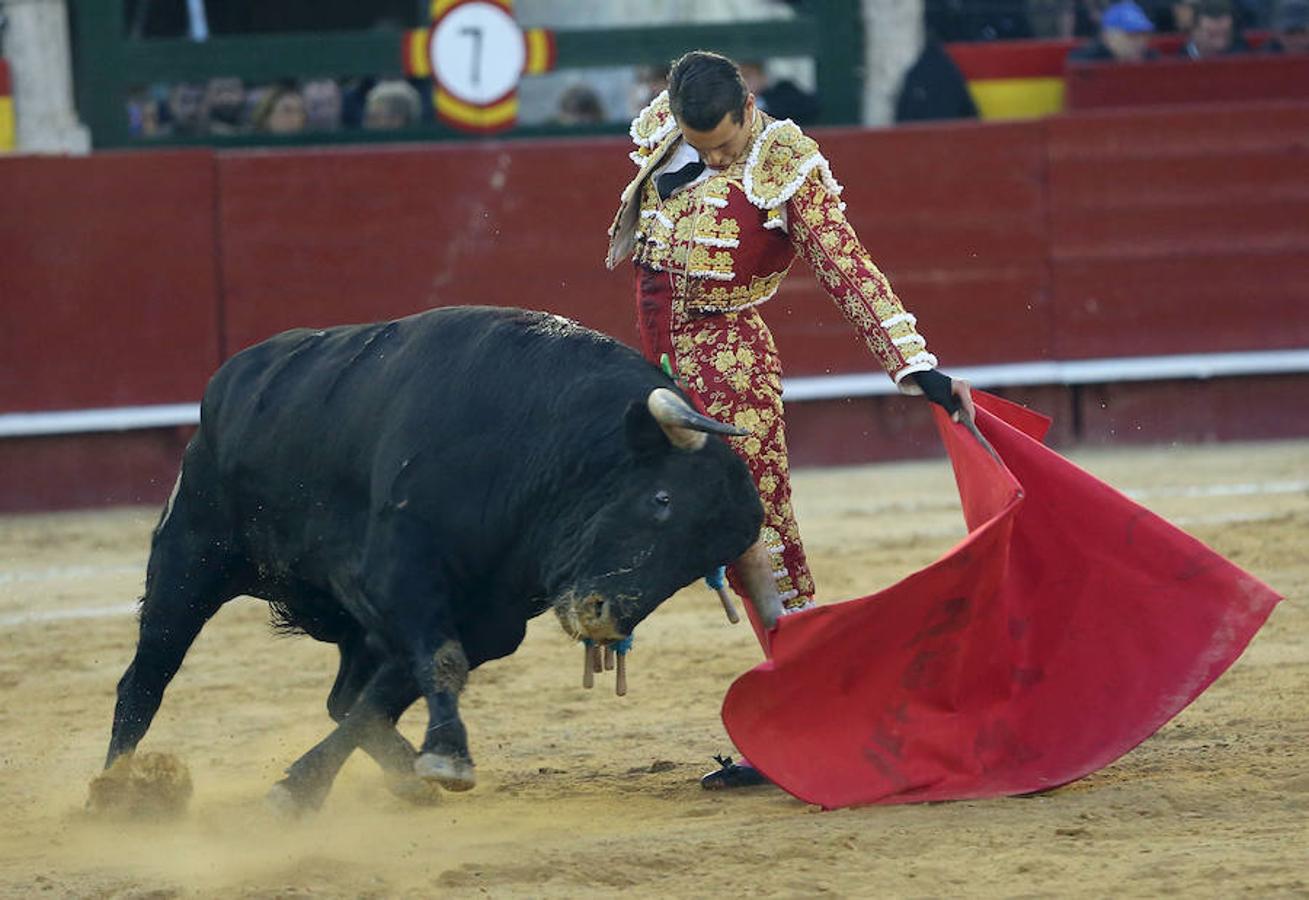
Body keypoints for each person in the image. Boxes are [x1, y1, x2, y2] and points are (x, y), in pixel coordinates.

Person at [605, 50, 974, 790]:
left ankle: (812, 712)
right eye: (696, 142)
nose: (711, 155)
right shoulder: (665, 132)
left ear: (748, 107)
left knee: (762, 541)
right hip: (656, 372)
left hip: (731, 367)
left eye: (723, 143)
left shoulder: (784, 163)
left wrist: (913, 365)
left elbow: (848, 268)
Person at [1067, 0, 1160, 61]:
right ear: (1107, 37)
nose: (1140, 42)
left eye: (1144, 35)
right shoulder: (1086, 63)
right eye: (1131, 35)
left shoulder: (1152, 60)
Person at [1180, 0, 1248, 57]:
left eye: (1224, 33)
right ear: (1194, 30)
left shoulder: (1245, 56)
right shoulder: (1177, 62)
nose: (1221, 25)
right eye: (1214, 33)